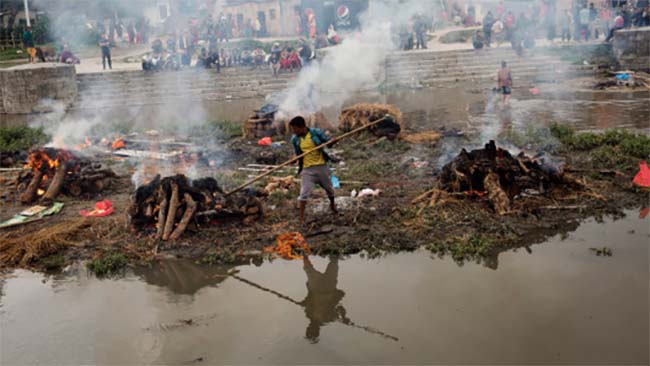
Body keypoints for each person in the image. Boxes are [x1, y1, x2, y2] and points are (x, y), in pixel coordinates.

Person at [289, 116, 338, 225]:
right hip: (307, 170)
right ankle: (301, 218)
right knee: (303, 194)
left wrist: (333, 141)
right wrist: (294, 159)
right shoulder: (295, 139)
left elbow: (327, 143)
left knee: (329, 190)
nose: (294, 132)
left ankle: (333, 206)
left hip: (321, 167)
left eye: (295, 129)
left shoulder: (315, 133)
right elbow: (298, 154)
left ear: (301, 127)